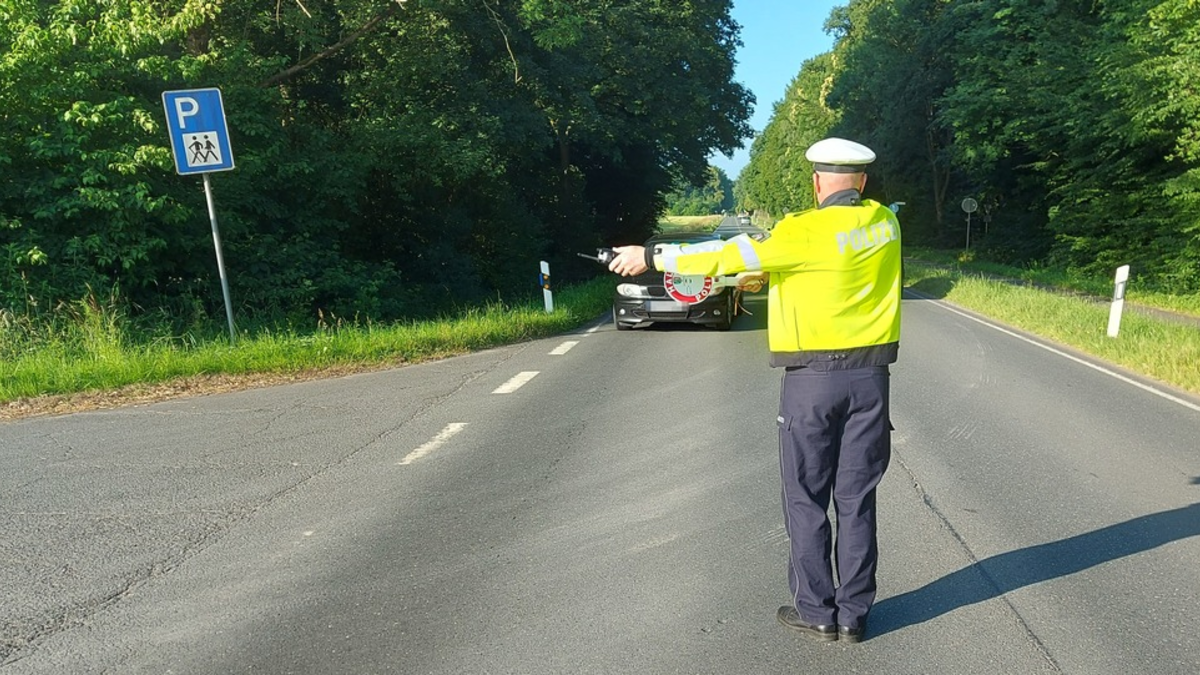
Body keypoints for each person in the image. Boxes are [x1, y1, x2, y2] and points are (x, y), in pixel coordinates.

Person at [607, 138, 901, 643]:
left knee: (806, 497)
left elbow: (725, 254)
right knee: (857, 499)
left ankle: (817, 611)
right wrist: (770, 276)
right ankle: (854, 615)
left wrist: (651, 255)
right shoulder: (885, 225)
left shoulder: (802, 230)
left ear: (815, 183)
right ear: (864, 182)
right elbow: (829, 270)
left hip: (812, 381)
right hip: (872, 378)